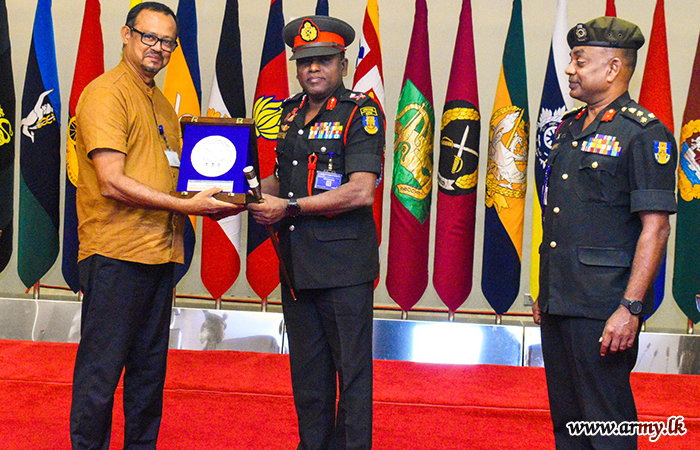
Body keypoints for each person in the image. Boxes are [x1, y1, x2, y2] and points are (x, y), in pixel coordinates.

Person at [70, 3, 237, 448]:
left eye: (167, 42)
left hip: (160, 254)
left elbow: (176, 177)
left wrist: (220, 200)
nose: (157, 48)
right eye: (149, 37)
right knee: (100, 376)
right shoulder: (107, 93)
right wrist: (187, 207)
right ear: (126, 35)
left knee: (148, 378)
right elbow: (111, 182)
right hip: (116, 255)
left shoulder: (160, 103)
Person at [532, 17, 677, 449]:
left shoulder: (643, 134)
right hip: (560, 300)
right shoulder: (569, 127)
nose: (569, 69)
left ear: (613, 68)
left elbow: (656, 228)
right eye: (571, 59)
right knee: (568, 424)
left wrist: (630, 307)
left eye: (580, 60)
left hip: (604, 307)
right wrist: (547, 290)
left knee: (606, 424)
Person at [247, 15, 385, 450]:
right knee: (308, 376)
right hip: (297, 266)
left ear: (342, 63)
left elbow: (360, 191)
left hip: (344, 269)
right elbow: (280, 181)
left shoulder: (361, 112)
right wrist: (234, 195)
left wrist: (288, 207)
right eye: (305, 61)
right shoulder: (288, 113)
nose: (313, 69)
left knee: (352, 375)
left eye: (323, 60)